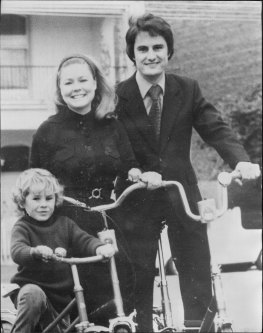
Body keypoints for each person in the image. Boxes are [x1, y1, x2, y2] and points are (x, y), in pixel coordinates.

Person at [115, 13, 261, 331]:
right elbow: (112, 147)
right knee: (136, 273)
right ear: (133, 54)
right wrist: (133, 173)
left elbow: (216, 129)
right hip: (137, 197)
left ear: (169, 52)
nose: (151, 55)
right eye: (143, 49)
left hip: (181, 194)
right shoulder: (118, 96)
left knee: (196, 270)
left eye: (158, 47)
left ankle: (197, 327)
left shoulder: (187, 89)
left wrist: (240, 161)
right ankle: (139, 327)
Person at [29, 54, 142, 325]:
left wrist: (138, 173)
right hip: (67, 223)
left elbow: (130, 165)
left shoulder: (113, 125)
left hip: (106, 218)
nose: (76, 87)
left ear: (95, 84)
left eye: (82, 80)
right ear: (60, 89)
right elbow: (33, 184)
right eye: (68, 82)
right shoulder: (47, 131)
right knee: (80, 296)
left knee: (122, 285)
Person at [10, 168, 115, 333]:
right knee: (33, 294)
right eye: (36, 199)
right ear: (22, 202)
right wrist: (34, 252)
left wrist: (100, 247)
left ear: (55, 200)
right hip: (32, 293)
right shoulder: (22, 227)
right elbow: (17, 250)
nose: (43, 204)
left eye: (49, 198)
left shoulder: (65, 224)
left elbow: (84, 240)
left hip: (61, 299)